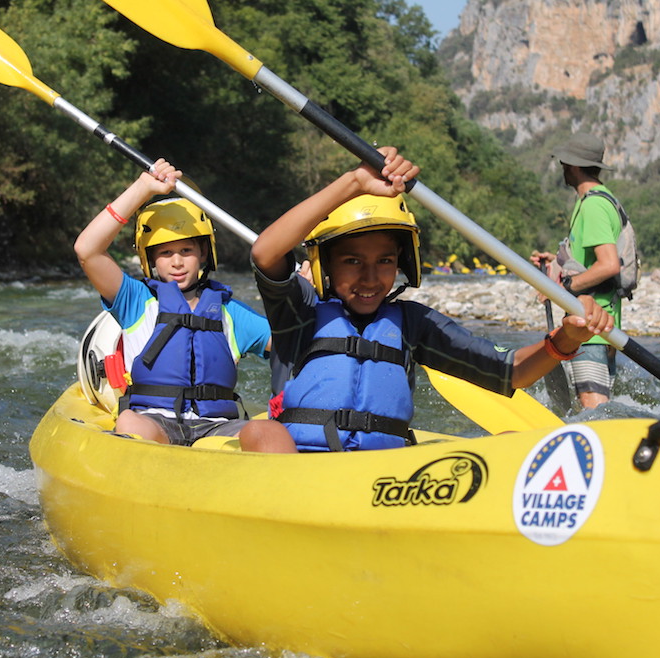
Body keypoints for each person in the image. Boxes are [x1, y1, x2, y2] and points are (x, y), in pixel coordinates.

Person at [238, 147, 613, 453]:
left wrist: (565, 340)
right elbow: (265, 253)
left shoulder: (413, 325)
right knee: (261, 434)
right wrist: (354, 181)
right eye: (353, 262)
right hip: (300, 469)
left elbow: (510, 372)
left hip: (376, 478)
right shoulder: (300, 312)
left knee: (507, 446)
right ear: (326, 265)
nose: (370, 277)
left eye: (384, 261)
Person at [74, 160, 271, 444]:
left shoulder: (231, 313)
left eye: (186, 250)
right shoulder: (135, 301)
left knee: (267, 431)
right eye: (165, 252)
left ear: (204, 252)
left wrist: (297, 292)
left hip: (217, 429)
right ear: (150, 258)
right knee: (129, 420)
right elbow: (87, 250)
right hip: (155, 425)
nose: (177, 262)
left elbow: (290, 343)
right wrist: (143, 189)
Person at [531, 131, 623, 409]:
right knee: (599, 406)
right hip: (603, 322)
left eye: (563, 163)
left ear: (572, 165)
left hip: (590, 325)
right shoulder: (602, 199)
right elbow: (588, 257)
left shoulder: (593, 205)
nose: (562, 168)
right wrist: (557, 260)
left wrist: (561, 289)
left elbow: (609, 264)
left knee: (594, 408)